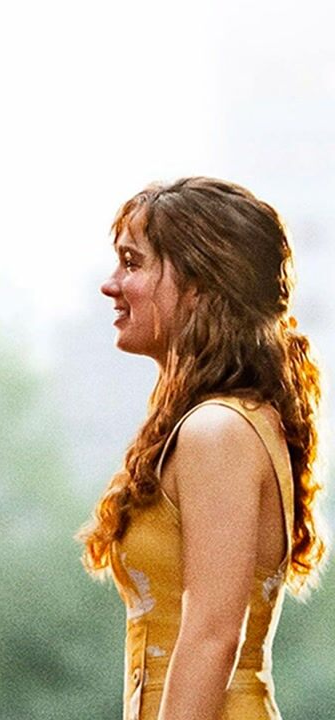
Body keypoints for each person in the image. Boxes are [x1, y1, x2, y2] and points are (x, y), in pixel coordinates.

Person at [78, 177, 326, 719]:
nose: (110, 284)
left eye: (132, 262)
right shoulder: (226, 421)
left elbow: (213, 636)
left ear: (198, 284)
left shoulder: (217, 430)